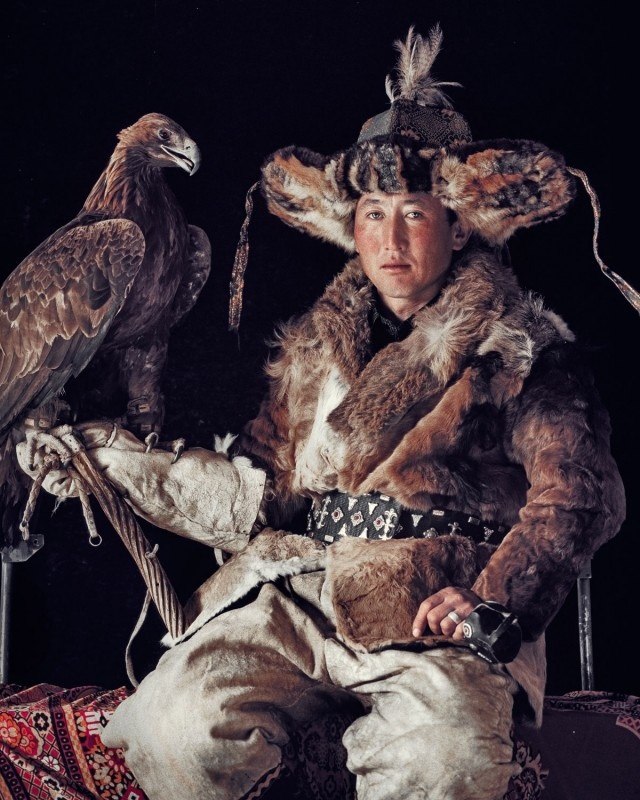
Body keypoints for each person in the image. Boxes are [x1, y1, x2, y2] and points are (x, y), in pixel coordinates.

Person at [96, 27, 625, 800]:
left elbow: (580, 495)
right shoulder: (316, 348)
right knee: (170, 727)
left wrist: (492, 599)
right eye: (374, 214)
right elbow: (258, 487)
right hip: (300, 597)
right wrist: (114, 463)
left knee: (446, 763)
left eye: (414, 213)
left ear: (457, 224)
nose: (390, 238)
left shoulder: (522, 349)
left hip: (433, 609)